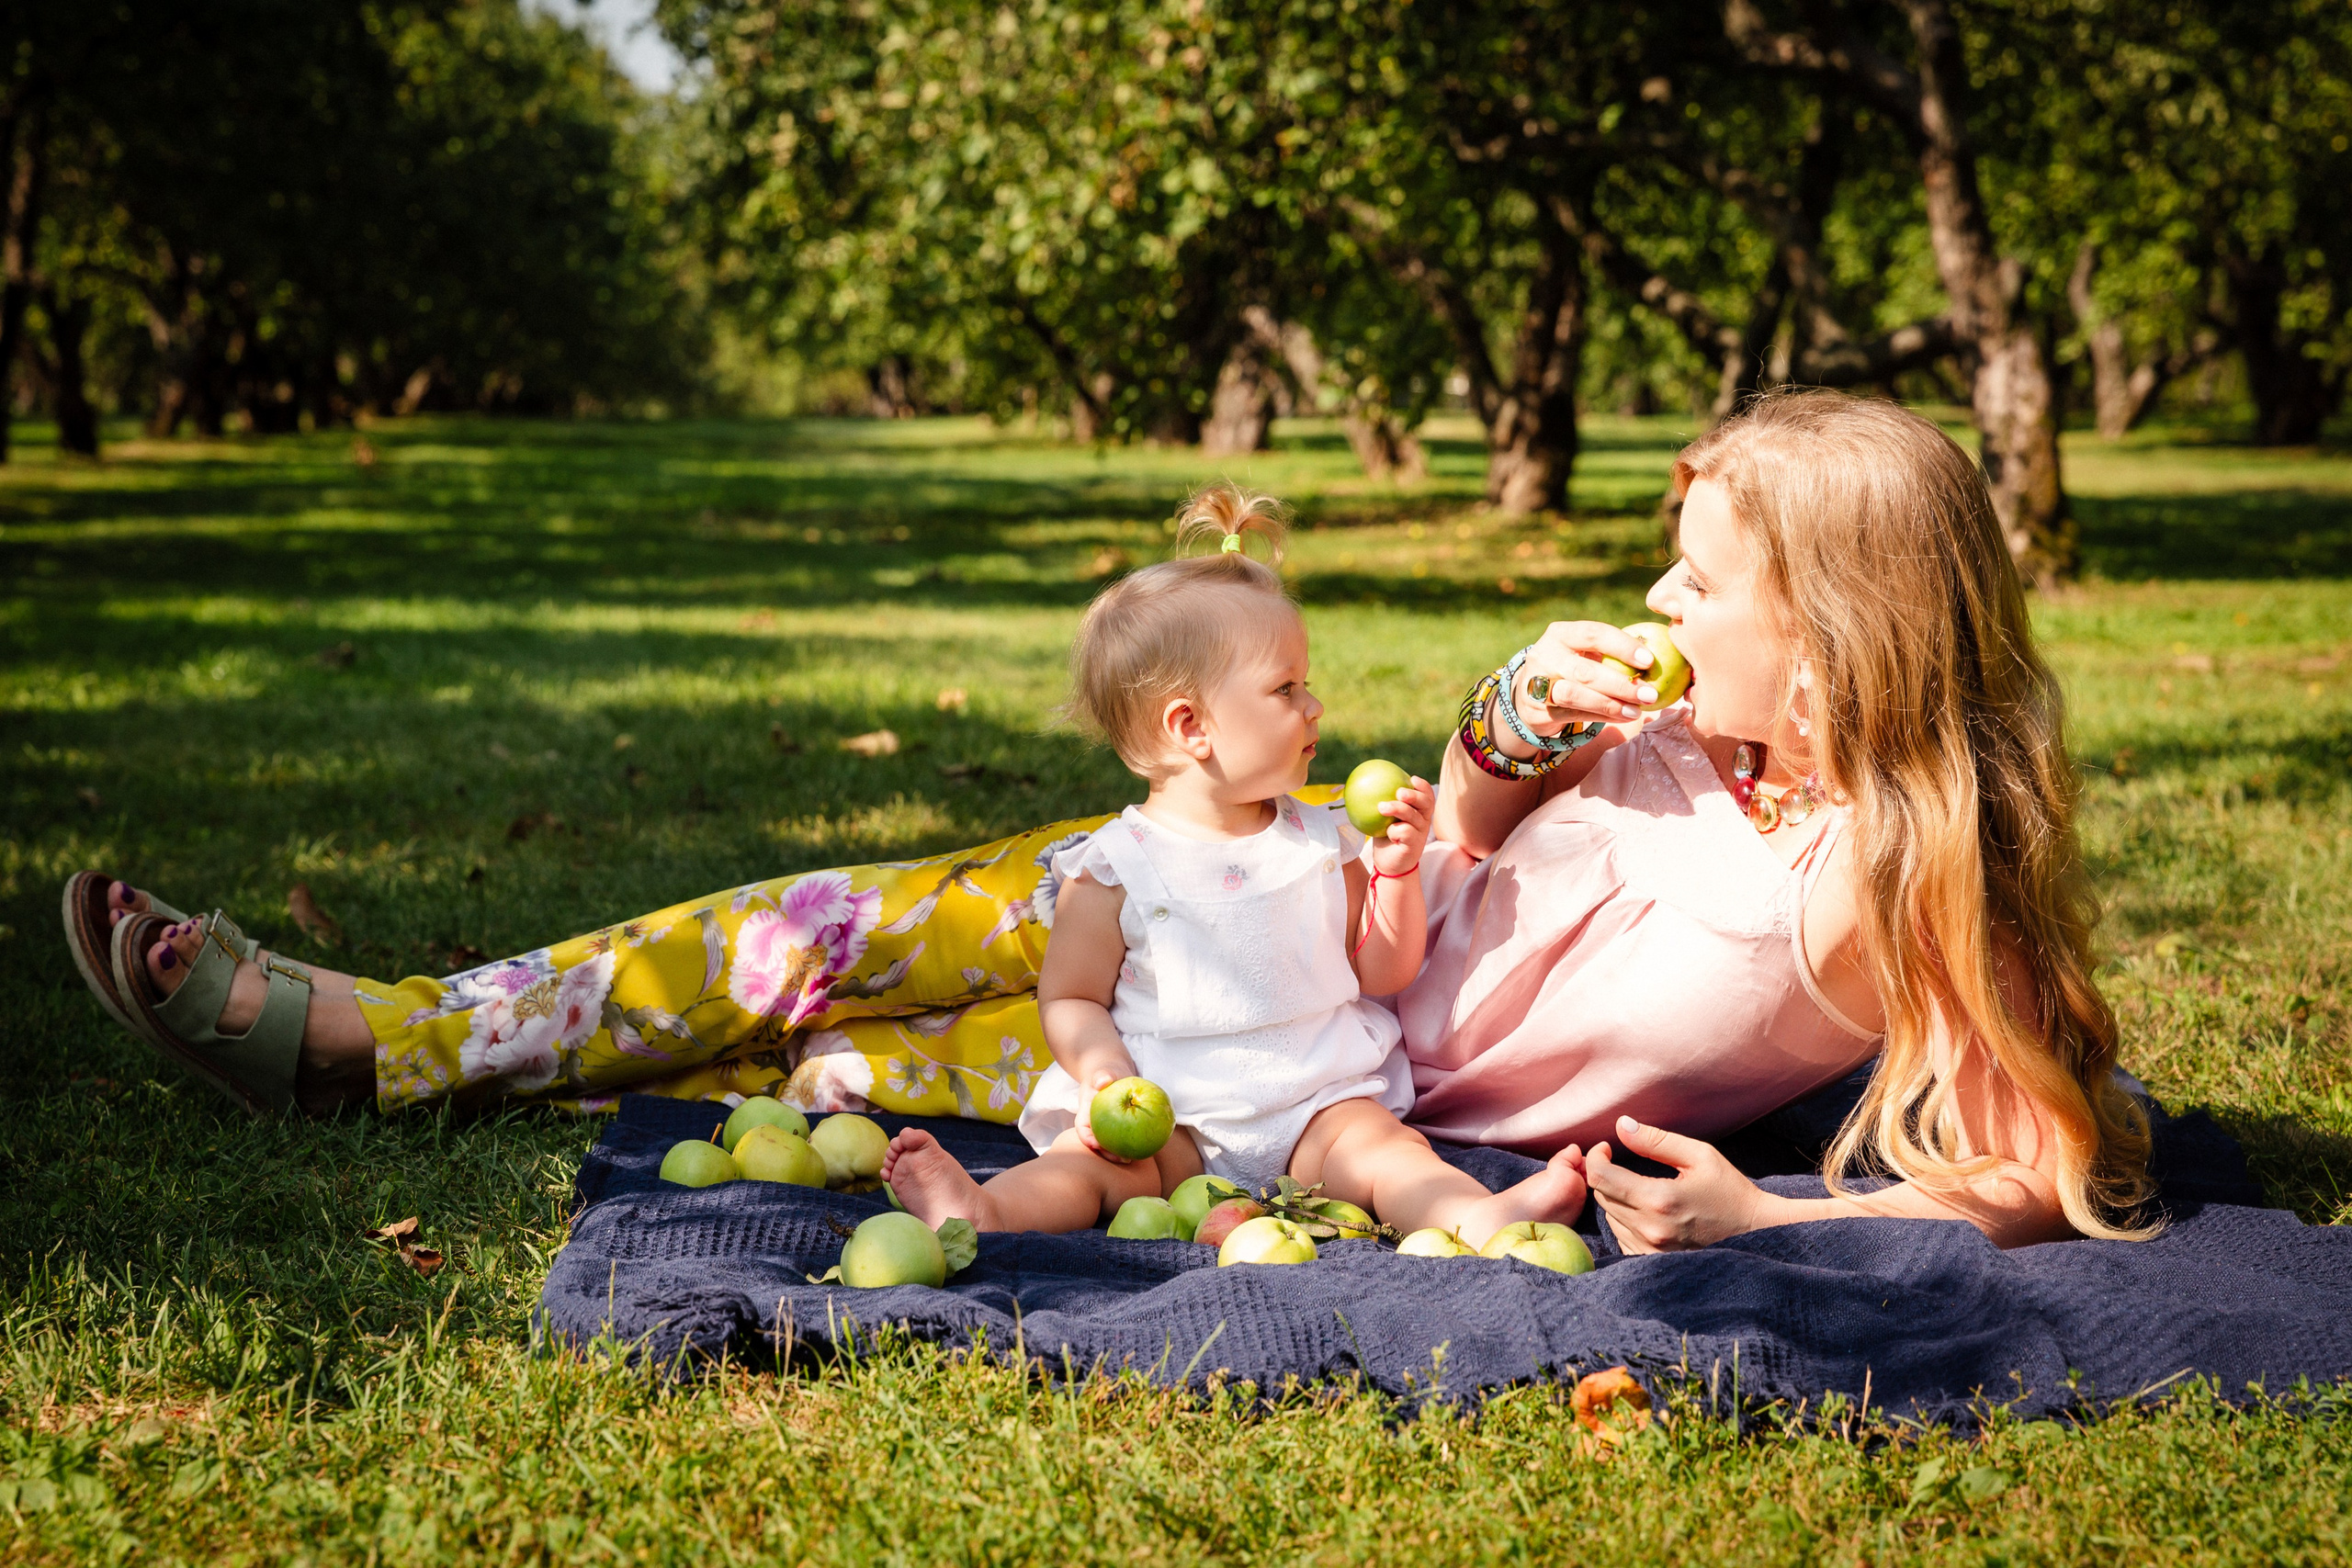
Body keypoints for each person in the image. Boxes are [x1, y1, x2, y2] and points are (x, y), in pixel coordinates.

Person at [62, 389, 2153, 1253]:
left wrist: (1773, 1224)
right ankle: (372, 1029)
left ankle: (433, 1068)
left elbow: (2037, 1163)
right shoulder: (1659, 722)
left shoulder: (1888, 880)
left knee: (862, 1064)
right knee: (817, 920)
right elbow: (1459, 811)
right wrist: (1515, 709)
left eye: (1701, 583)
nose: (1662, 607)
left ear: (1845, 622)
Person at [878, 491, 1587, 1243]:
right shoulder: (1118, 868)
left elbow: (1382, 970)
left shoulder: (1322, 839)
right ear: (1191, 727)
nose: (1314, 706)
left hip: (1318, 1112)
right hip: (1174, 1121)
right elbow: (1072, 999)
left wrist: (1397, 874)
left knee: (1388, 1151)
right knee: (1090, 1171)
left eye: (1306, 684)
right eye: (1286, 689)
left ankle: (1476, 1215)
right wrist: (1105, 1076)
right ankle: (986, 1211)